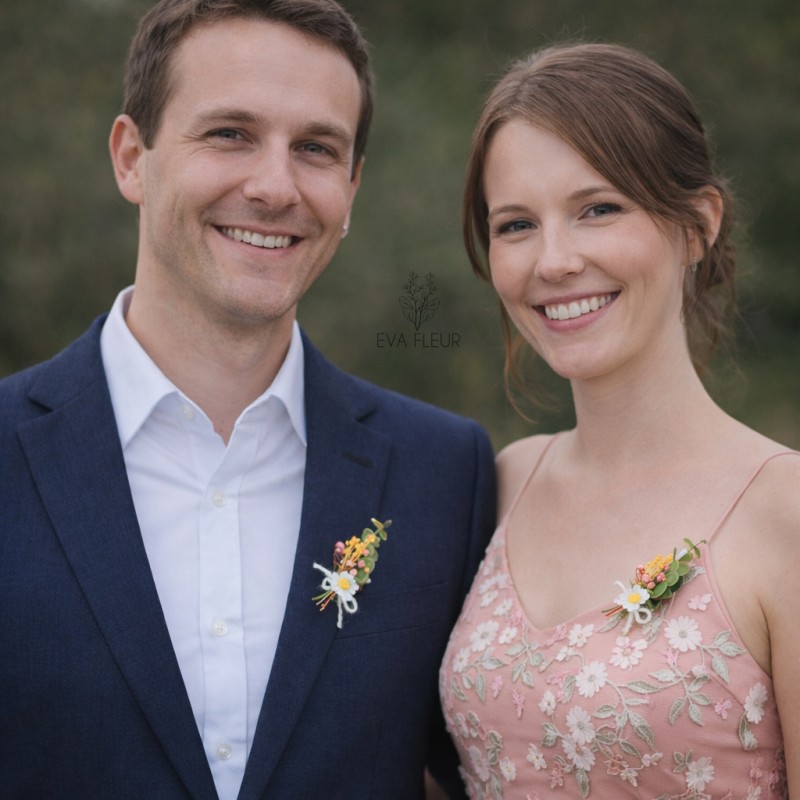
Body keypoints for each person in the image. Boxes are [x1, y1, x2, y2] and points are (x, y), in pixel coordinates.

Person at [0, 1, 496, 798]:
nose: (275, 186)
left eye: (316, 148)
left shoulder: (444, 473)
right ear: (132, 158)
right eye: (230, 133)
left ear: (352, 186)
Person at [440, 42, 800, 798]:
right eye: (515, 225)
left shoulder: (785, 513)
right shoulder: (502, 481)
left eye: (597, 209)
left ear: (697, 224)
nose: (554, 261)